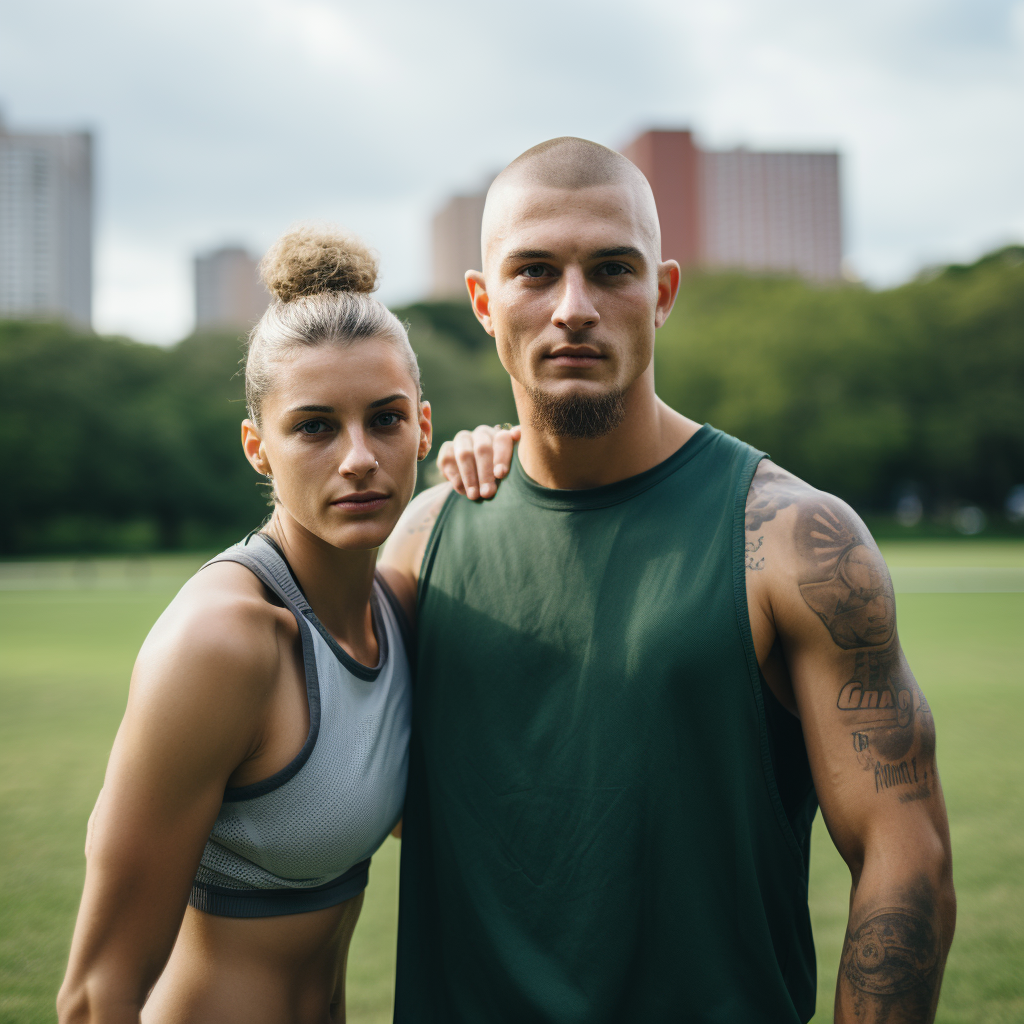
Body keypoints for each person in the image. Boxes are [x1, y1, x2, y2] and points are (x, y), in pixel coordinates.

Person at [380, 138, 956, 1023]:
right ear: (484, 302)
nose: (574, 308)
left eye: (613, 269)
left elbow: (903, 849)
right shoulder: (423, 545)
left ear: (664, 291)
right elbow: (358, 806)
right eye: (534, 272)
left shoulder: (796, 540)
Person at [56, 225, 502, 1024]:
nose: (359, 457)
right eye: (316, 426)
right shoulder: (225, 642)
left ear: (424, 430)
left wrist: (512, 456)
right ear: (258, 448)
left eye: (386, 420)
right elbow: (96, 996)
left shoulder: (396, 611)